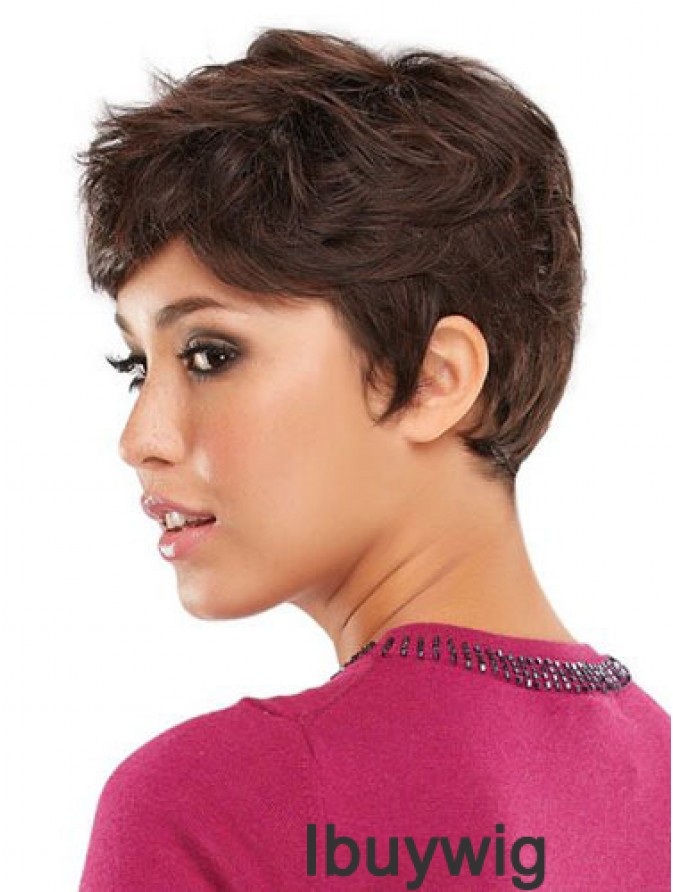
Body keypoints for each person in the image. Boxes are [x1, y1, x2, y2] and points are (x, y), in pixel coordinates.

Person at [76, 27, 670, 891]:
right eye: (136, 366)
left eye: (209, 355)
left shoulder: (211, 806)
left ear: (431, 379)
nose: (141, 438)